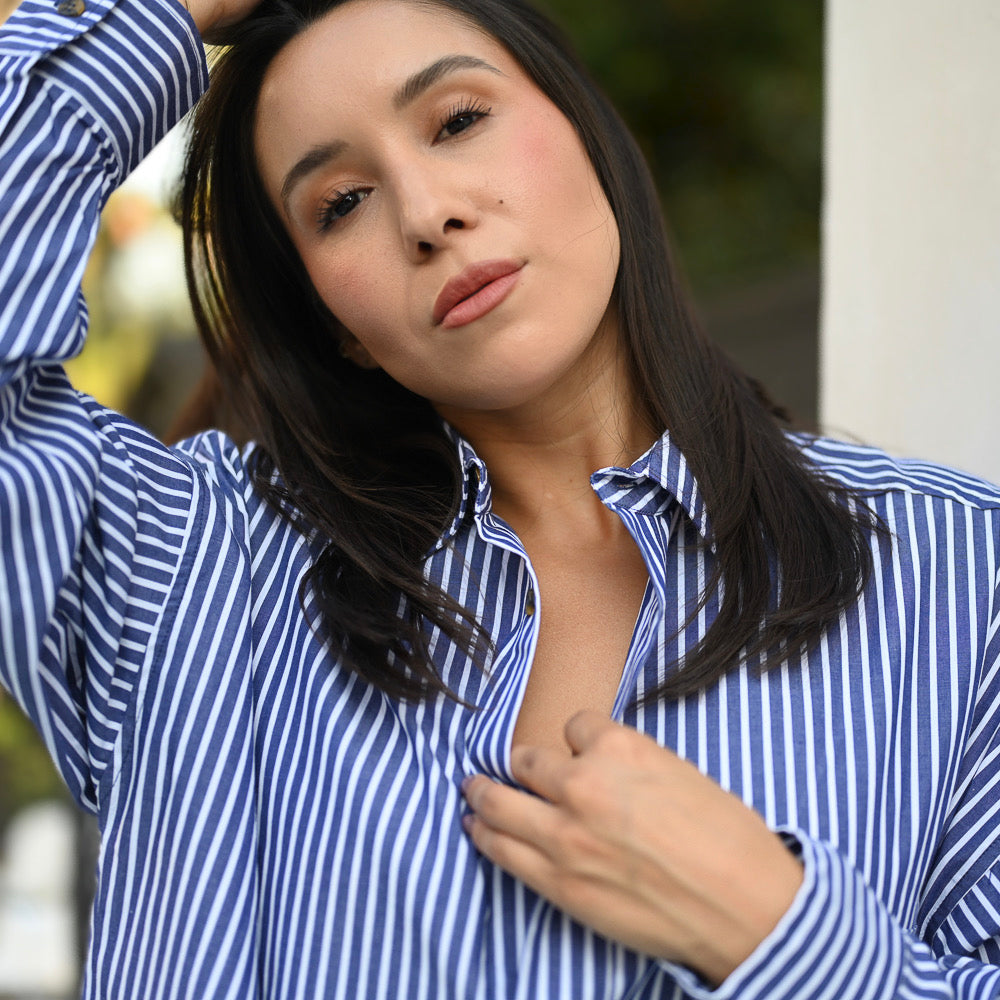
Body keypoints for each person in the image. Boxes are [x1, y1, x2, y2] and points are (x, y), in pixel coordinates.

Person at [1, 0, 999, 995]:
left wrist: (779, 934)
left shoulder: (962, 576)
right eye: (341, 204)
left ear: (586, 129)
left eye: (458, 121)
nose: (426, 213)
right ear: (332, 318)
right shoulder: (194, 576)